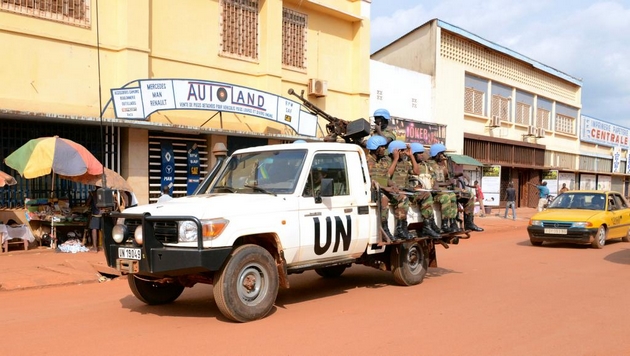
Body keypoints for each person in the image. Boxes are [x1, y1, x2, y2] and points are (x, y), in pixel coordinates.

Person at [427, 143, 483, 233]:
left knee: (470, 195)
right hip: (438, 189)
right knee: (450, 196)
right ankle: (449, 224)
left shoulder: (443, 164)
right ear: (436, 154)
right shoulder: (429, 165)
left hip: (447, 187)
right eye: (441, 153)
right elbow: (432, 183)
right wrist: (447, 183)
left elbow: (450, 175)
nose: (443, 156)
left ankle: (469, 222)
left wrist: (461, 174)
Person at [365, 135, 397, 242]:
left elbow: (386, 177)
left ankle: (401, 228)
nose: (384, 149)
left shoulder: (383, 161)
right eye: (382, 147)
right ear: (375, 148)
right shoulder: (366, 161)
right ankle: (384, 227)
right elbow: (369, 181)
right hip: (372, 192)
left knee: (402, 197)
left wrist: (392, 185)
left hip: (384, 189)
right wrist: (385, 188)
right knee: (384, 199)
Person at [408, 142, 441, 238]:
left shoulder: (427, 166)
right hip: (415, 192)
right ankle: (428, 225)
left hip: (428, 190)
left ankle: (437, 224)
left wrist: (435, 186)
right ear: (413, 154)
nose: (422, 155)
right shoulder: (409, 165)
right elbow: (414, 173)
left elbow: (433, 178)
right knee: (427, 196)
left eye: (422, 153)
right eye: (419, 153)